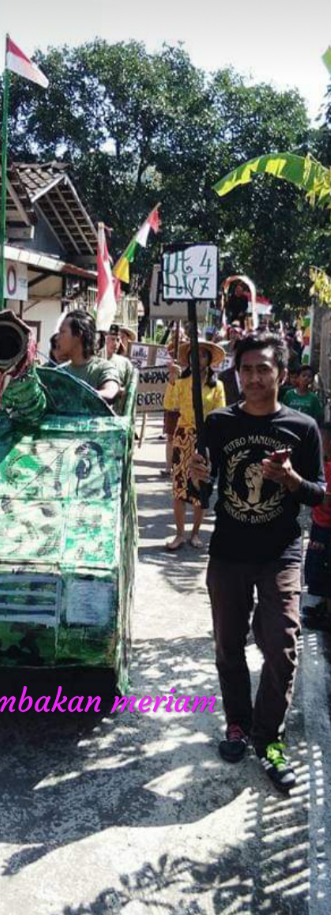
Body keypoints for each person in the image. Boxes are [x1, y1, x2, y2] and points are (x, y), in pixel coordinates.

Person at [189, 334, 325, 792]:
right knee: (228, 646)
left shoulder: (303, 427)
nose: (252, 377)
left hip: (280, 552)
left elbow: (320, 492)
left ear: (281, 375)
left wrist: (291, 480)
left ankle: (269, 740)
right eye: (245, 370)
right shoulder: (219, 423)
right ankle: (237, 723)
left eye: (262, 369)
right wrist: (197, 479)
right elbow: (202, 495)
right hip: (228, 552)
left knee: (283, 647)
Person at [166, 339, 226, 551]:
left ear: (208, 359)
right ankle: (180, 534)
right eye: (194, 354)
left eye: (202, 355)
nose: (197, 359)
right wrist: (172, 380)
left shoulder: (217, 386)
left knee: (201, 489)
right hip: (183, 438)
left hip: (205, 440)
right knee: (179, 488)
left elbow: (221, 414)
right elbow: (170, 405)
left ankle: (195, 533)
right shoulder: (182, 382)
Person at [302, 422, 331, 633]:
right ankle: (323, 606)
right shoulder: (323, 465)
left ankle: (328, 616)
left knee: (324, 569)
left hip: (327, 528)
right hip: (319, 524)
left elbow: (325, 498)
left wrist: (313, 494)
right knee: (315, 568)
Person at [57, 310, 120, 403]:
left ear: (78, 335)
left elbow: (110, 393)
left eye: (62, 332)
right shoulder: (59, 372)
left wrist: (78, 395)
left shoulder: (103, 368)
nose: (58, 337)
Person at [105, 324, 134, 388]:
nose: (115, 343)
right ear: (105, 339)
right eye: (112, 339)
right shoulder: (96, 361)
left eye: (118, 340)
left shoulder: (125, 363)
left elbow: (130, 387)